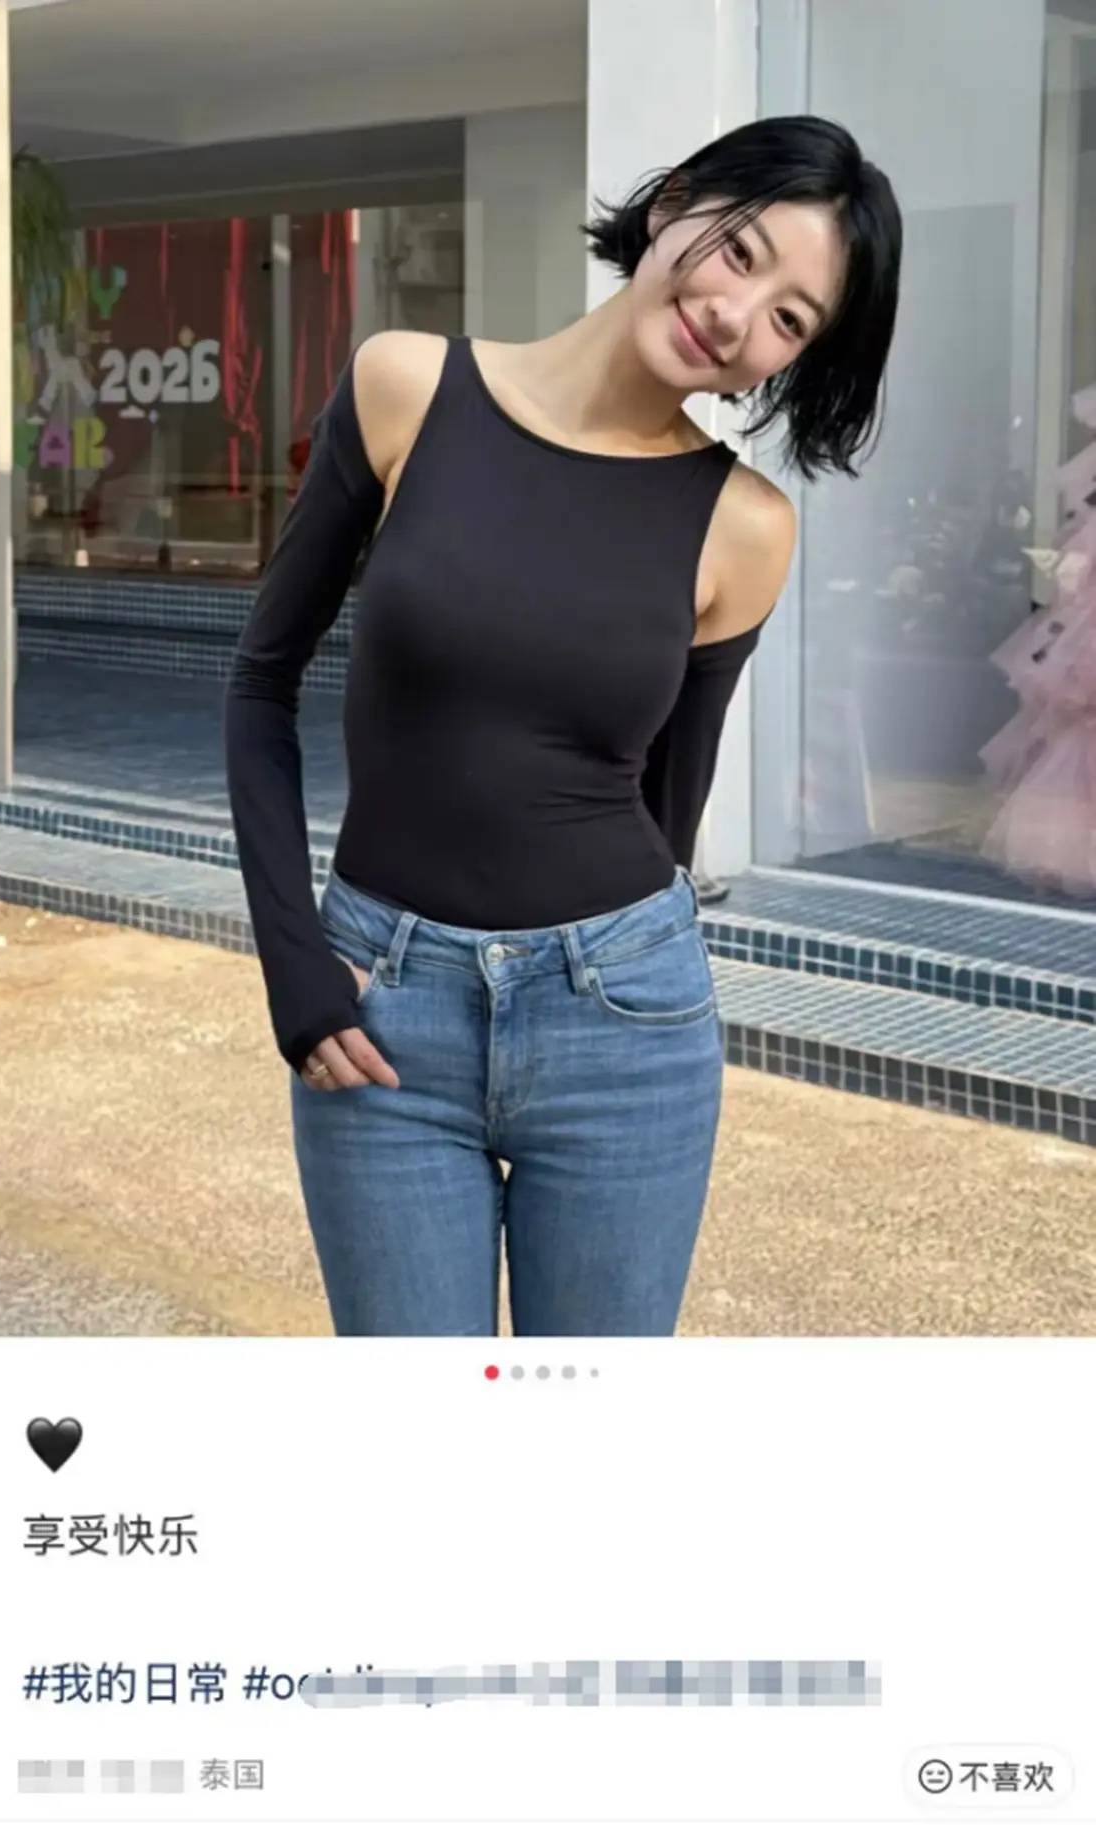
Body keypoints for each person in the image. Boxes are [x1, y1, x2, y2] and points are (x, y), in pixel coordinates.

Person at [223, 113, 902, 1337]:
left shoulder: (746, 528)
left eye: (790, 319)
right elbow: (259, 684)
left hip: (623, 1032)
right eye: (741, 252)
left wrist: (623, 969)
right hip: (382, 1011)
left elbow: (668, 809)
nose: (736, 315)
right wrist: (294, 968)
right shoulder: (406, 387)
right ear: (675, 203)